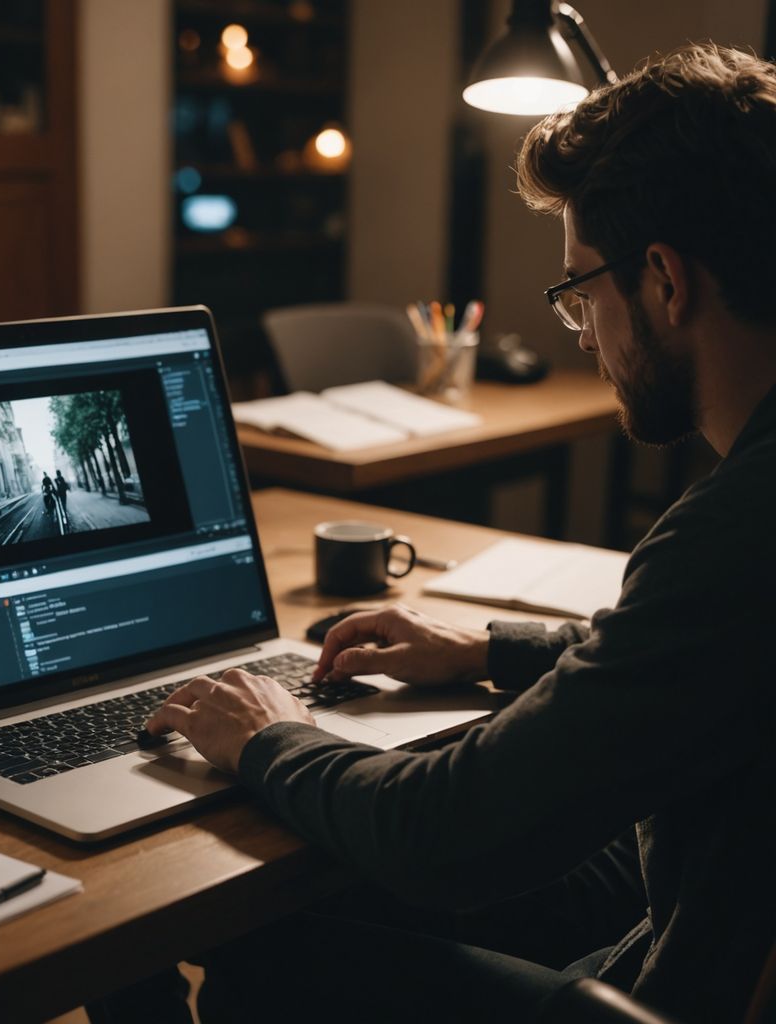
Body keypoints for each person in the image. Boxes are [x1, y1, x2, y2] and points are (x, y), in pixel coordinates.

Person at [138, 43, 776, 1024]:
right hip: (703, 923)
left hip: (682, 991)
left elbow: (447, 832)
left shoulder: (734, 532)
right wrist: (485, 647)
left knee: (265, 944)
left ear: (664, 281)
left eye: (577, 292)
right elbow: (705, 656)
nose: (584, 333)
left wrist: (267, 738)